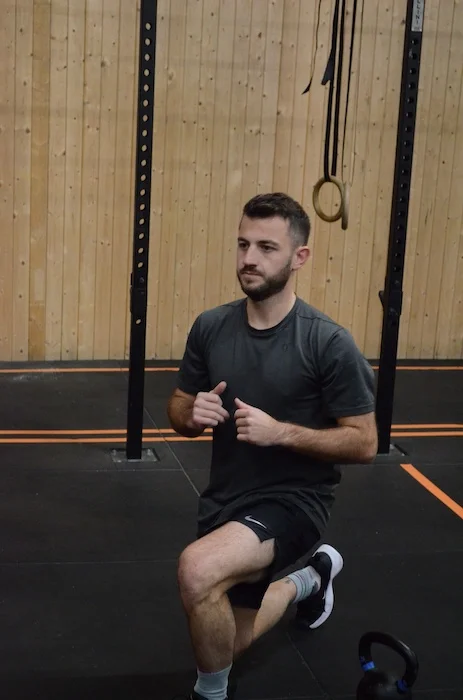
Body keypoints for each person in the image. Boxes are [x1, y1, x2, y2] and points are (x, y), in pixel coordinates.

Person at [167, 192, 378, 700]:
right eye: (243, 245)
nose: (249, 258)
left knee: (197, 569)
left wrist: (280, 431)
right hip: (226, 498)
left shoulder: (327, 342)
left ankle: (210, 695)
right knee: (229, 641)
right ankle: (309, 580)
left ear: (299, 257)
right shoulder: (211, 326)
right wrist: (190, 415)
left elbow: (365, 442)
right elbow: (178, 404)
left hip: (294, 501)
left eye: (266, 247)